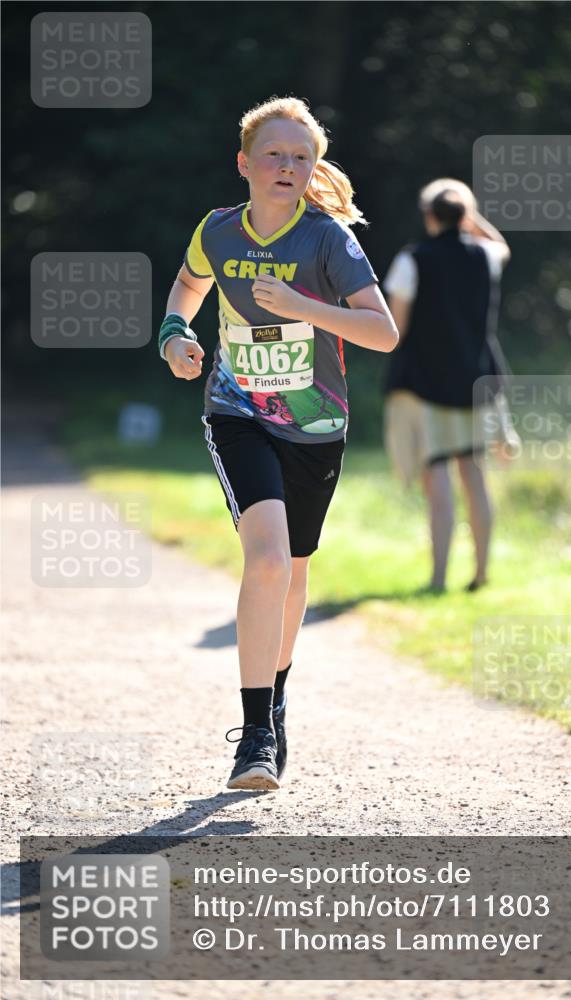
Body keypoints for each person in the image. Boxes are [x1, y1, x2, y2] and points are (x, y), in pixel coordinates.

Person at [158, 97, 398, 791]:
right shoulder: (218, 230)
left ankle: (278, 690)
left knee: (292, 571)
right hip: (237, 413)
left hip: (315, 425)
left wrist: (302, 308)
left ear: (313, 167)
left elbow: (381, 332)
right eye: (273, 154)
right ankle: (255, 735)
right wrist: (175, 333)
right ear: (244, 163)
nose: (287, 166)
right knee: (264, 562)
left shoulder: (328, 241)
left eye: (301, 156)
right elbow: (187, 283)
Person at [383, 178, 515, 593]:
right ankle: (480, 572)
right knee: (473, 472)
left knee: (436, 472)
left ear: (429, 216)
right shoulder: (485, 256)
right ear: (464, 216)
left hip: (424, 382)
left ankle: (438, 579)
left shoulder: (411, 259)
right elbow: (502, 246)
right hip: (476, 379)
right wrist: (473, 219)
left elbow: (395, 330)